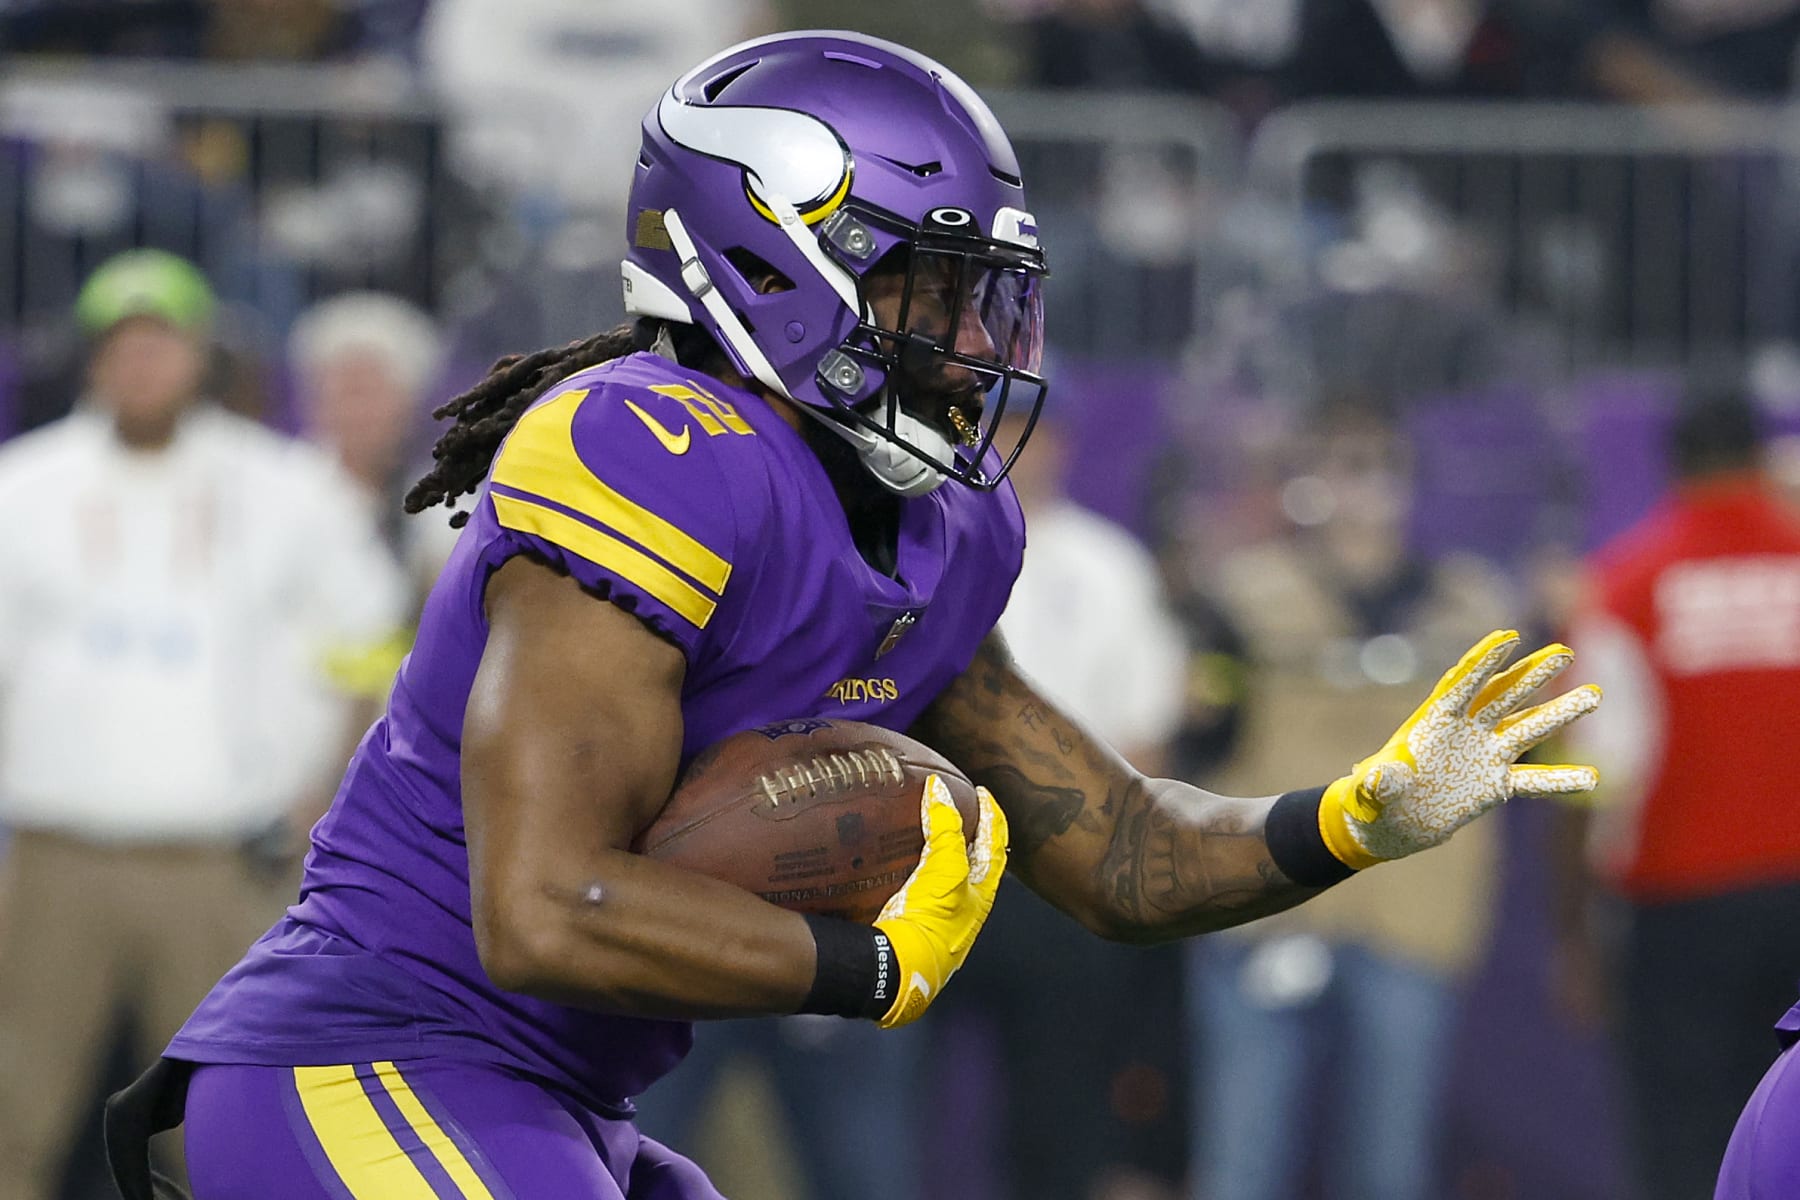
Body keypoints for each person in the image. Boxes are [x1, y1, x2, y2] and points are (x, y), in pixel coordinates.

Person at [107, 32, 1603, 1200]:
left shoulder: (944, 528)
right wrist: (868, 969)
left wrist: (1350, 817)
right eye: (930, 291)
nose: (972, 345)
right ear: (768, 258)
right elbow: (542, 908)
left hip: (552, 1100)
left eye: (986, 299)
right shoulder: (649, 447)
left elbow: (1126, 850)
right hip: (370, 1061)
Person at [0, 249, 409, 1200]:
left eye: (162, 343)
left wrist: (327, 796)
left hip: (224, 862)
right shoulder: (24, 485)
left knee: (231, 1127)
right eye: (122, 346)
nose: (142, 365)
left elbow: (370, 646)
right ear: (94, 358)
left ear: (200, 354)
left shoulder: (285, 487)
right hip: (58, 858)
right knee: (19, 1115)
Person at [1184, 407, 1509, 1200]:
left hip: (1413, 912)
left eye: (1378, 463)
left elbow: (1517, 756)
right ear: (1308, 479)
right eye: (1340, 463)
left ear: (1410, 482)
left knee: (1390, 1164)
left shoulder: (1474, 606)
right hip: (1269, 905)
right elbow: (1195, 737)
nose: (1360, 486)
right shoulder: (1242, 596)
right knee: (1242, 1155)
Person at [1559, 379, 1800, 1200]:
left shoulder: (1628, 588)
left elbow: (1590, 778)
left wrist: (1576, 934)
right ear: (1763, 463)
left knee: (1683, 1142)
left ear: (1673, 468)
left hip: (1683, 913)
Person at [944, 404, 1190, 1200]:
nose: (1016, 447)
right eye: (987, 425)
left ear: (1063, 443)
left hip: (1058, 866)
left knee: (1059, 1115)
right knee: (876, 1110)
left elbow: (1144, 739)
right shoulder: (914, 538)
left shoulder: (1109, 564)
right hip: (920, 856)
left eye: (1031, 428)